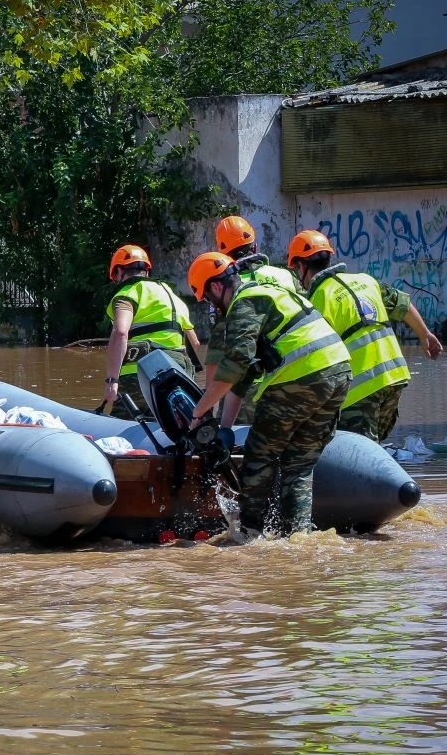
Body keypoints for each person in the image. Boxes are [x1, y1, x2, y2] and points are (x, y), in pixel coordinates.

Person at [186, 251, 352, 537]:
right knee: (299, 463)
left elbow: (235, 363)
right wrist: (224, 427)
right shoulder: (273, 292)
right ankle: (297, 537)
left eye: (208, 299)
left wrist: (198, 412)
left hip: (303, 375)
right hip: (338, 373)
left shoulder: (243, 302)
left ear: (215, 286)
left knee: (259, 456)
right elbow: (246, 373)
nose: (212, 307)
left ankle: (249, 535)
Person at [286, 229, 443, 442]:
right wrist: (425, 335)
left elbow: (313, 360)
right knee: (373, 446)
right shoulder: (365, 280)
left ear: (301, 266)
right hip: (395, 377)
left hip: (361, 387)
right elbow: (403, 305)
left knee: (358, 452)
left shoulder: (316, 300)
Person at [204, 216, 302, 423]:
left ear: (221, 253)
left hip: (242, 388)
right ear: (255, 246)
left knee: (237, 448)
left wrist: (207, 404)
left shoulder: (229, 285)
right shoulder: (284, 276)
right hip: (290, 377)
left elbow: (218, 351)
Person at [102, 244, 200, 419]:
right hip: (178, 375)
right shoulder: (171, 295)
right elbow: (195, 344)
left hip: (141, 373)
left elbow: (121, 332)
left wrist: (112, 381)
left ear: (118, 272)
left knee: (123, 421)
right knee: (168, 421)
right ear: (146, 271)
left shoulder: (127, 294)